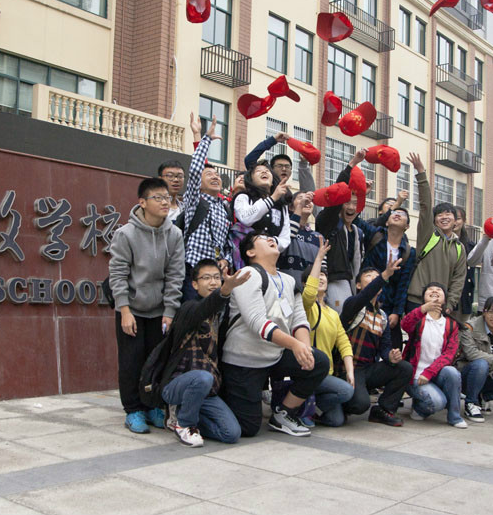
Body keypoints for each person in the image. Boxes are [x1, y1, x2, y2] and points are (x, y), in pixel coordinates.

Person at [220, 231, 330, 437]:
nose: (270, 239)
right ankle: (213, 402)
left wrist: (305, 349)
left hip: (274, 356)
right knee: (247, 428)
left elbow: (299, 320)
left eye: (271, 237)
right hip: (244, 362)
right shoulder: (248, 274)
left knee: (318, 361)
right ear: (250, 252)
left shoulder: (288, 280)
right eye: (262, 238)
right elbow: (257, 322)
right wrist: (294, 345)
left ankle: (283, 413)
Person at [109, 177, 185, 434]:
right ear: (142, 202)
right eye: (158, 198)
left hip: (159, 311)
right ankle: (133, 410)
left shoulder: (174, 234)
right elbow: (117, 274)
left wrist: (169, 311)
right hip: (131, 309)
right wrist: (124, 311)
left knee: (155, 361)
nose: (165, 202)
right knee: (131, 361)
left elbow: (176, 275)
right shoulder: (125, 234)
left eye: (167, 198)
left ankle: (152, 406)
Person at [161, 259, 248, 447]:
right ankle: (185, 424)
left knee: (231, 433)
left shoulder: (219, 317)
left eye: (217, 278)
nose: (213, 282)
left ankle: (184, 417)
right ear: (194, 284)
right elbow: (205, 307)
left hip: (207, 390)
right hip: (179, 386)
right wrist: (225, 290)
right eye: (206, 278)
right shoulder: (188, 309)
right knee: (202, 377)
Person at [340, 258, 414, 427]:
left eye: (376, 277)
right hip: (349, 368)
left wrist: (391, 356)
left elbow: (384, 347)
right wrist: (385, 274)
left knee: (404, 368)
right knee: (360, 405)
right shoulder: (352, 304)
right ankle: (339, 401)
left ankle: (383, 410)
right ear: (358, 285)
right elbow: (365, 296)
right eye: (369, 276)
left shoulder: (383, 316)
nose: (374, 278)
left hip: (369, 369)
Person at [316, 148, 381, 311]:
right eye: (347, 203)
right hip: (332, 280)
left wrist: (363, 194)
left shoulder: (357, 232)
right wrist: (352, 164)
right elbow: (336, 195)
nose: (351, 207)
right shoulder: (329, 223)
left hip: (352, 282)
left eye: (355, 203)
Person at [301, 239, 355, 427]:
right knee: (346, 392)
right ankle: (304, 402)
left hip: (327, 374)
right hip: (310, 372)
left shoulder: (332, 313)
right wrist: (319, 259)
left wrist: (350, 371)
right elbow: (309, 294)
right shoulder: (305, 307)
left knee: (336, 420)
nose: (322, 278)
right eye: (317, 276)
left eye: (324, 275)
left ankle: (312, 407)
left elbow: (344, 343)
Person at [404, 153, 466, 317]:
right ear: (434, 219)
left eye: (449, 214)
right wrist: (421, 173)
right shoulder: (428, 234)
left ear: (455, 221)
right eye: (440, 215)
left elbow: (458, 279)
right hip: (417, 300)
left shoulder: (459, 248)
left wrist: (450, 303)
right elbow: (425, 205)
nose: (444, 217)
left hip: (441, 305)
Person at [181, 113, 233, 301]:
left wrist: (226, 259)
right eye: (209, 174)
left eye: (217, 174)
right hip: (193, 271)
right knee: (192, 317)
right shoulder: (194, 200)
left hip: (215, 275)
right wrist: (205, 140)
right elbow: (195, 170)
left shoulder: (225, 207)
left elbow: (228, 242)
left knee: (213, 323)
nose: (215, 176)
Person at [401, 283, 466, 428]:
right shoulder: (418, 319)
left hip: (434, 374)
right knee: (438, 403)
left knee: (452, 372)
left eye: (439, 290)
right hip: (415, 376)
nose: (435, 291)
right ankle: (420, 407)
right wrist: (424, 309)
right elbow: (405, 324)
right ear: (423, 297)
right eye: (430, 289)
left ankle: (454, 417)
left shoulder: (450, 324)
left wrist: (429, 373)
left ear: (445, 299)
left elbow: (449, 354)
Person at [357, 199, 416, 354]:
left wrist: (397, 312)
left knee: (393, 348)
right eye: (394, 212)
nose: (397, 214)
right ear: (387, 221)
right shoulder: (375, 235)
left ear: (407, 226)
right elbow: (355, 218)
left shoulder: (408, 252)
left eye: (402, 214)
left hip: (389, 307)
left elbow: (403, 284)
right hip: (365, 301)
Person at [231, 161, 291, 252]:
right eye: (258, 171)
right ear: (251, 180)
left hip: (272, 258)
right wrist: (273, 198)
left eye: (267, 170)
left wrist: (274, 241)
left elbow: (285, 237)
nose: (264, 172)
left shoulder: (281, 205)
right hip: (247, 258)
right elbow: (246, 218)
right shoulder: (243, 197)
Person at [278, 191, 321, 284]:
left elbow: (322, 268)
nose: (306, 201)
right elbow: (290, 234)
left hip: (310, 291)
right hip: (286, 286)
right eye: (300, 198)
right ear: (291, 207)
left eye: (309, 199)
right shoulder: (283, 229)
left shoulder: (318, 237)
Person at [452, 206, 476, 324]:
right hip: (447, 297)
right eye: (453, 218)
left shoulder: (471, 246)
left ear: (464, 220)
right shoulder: (441, 243)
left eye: (458, 218)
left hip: (464, 296)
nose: (455, 222)